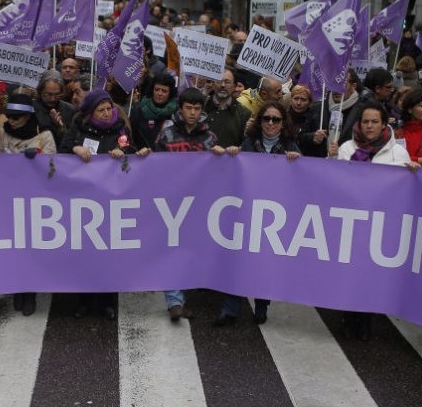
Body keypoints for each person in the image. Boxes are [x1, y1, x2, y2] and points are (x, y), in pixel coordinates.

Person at [330, 104, 419, 340]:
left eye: (374, 122)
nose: (369, 126)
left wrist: (413, 172)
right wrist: (331, 159)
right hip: (352, 220)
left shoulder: (397, 153)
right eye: (366, 122)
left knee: (371, 275)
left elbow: (405, 187)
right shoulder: (347, 148)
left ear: (383, 124)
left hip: (380, 223)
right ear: (359, 124)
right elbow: (334, 181)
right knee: (350, 273)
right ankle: (349, 318)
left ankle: (366, 319)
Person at [213, 102, 302, 327]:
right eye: (266, 119)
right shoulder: (248, 144)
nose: (270, 123)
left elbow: (302, 181)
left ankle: (261, 307)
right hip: (247, 213)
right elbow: (236, 172)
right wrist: (234, 154)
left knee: (265, 264)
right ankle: (229, 309)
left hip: (275, 217)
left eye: (276, 119)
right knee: (237, 261)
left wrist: (296, 161)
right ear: (259, 121)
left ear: (283, 124)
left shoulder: (291, 146)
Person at [68, 89, 150, 319]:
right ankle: (83, 301)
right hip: (83, 199)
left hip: (111, 200)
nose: (106, 113)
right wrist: (75, 148)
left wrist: (125, 152)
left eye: (109, 108)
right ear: (90, 112)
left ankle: (106, 301)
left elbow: (130, 150)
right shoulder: (79, 127)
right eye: (101, 110)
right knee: (84, 253)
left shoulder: (120, 128)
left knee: (108, 252)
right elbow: (62, 150)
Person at [154, 87, 233, 320]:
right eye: (188, 108)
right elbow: (153, 168)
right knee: (172, 250)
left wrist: (222, 156)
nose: (193, 112)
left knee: (194, 249)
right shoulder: (166, 135)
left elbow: (221, 172)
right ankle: (174, 301)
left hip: (200, 204)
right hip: (172, 203)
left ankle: (189, 289)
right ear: (181, 108)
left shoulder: (209, 138)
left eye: (197, 108)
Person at [0, 94, 58, 315]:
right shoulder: (3, 132)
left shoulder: (44, 136)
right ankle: (18, 288)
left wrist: (36, 163)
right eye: (9, 116)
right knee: (14, 247)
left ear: (28, 116)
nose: (11, 120)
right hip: (9, 199)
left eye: (16, 117)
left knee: (31, 248)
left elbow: (53, 168)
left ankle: (30, 292)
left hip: (35, 200)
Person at [302, 69, 363, 157]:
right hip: (319, 163)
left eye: (342, 85)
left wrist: (343, 151)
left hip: (347, 165)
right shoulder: (318, 108)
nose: (336, 90)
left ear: (353, 86)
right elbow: (301, 136)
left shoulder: (361, 111)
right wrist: (312, 137)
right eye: (333, 85)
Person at [205, 66, 251, 149]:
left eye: (227, 82)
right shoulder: (201, 108)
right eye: (219, 81)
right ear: (213, 84)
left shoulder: (244, 114)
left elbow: (246, 145)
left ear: (234, 86)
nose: (222, 85)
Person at [128, 73, 177, 151]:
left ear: (170, 93)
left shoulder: (176, 113)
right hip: (142, 158)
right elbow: (130, 139)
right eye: (156, 89)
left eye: (164, 91)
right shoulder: (138, 112)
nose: (159, 93)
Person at [34, 71, 76, 152]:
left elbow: (72, 141)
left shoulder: (70, 110)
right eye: (48, 94)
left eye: (57, 95)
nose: (53, 99)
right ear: (40, 91)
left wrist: (61, 128)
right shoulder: (31, 108)